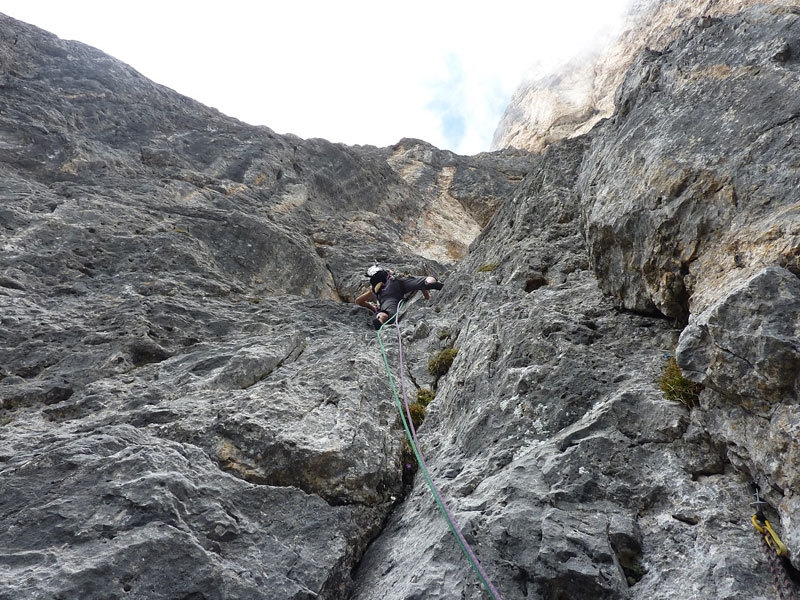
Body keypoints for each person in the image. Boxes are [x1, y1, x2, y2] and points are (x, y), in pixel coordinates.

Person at [356, 265, 444, 329]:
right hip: (396, 282)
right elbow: (418, 286)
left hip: (387, 295)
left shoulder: (377, 293)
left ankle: (381, 319)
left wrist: (370, 293)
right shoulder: (389, 279)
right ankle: (430, 282)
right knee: (423, 281)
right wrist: (427, 296)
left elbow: (358, 301)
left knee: (388, 314)